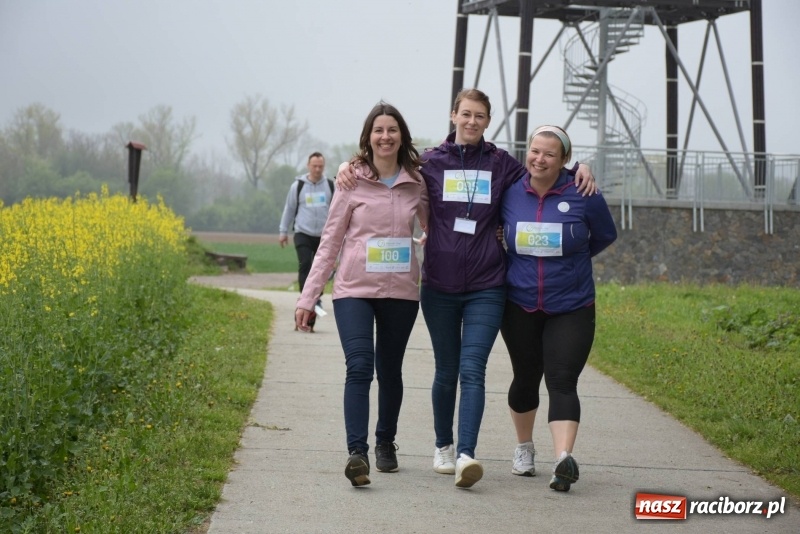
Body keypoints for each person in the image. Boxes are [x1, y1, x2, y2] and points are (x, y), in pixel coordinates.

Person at [337, 88, 596, 489]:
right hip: (439, 286)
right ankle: (443, 444)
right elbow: (386, 166)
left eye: (480, 116)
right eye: (466, 114)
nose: (472, 122)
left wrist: (581, 166)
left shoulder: (502, 164)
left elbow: (543, 169)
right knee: (447, 370)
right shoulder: (429, 163)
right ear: (453, 116)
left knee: (473, 370)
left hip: (487, 286)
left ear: (487, 122)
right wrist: (346, 164)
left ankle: (466, 456)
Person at [295, 102, 429, 487]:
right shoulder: (351, 180)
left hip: (401, 293)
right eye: (378, 130)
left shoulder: (416, 181)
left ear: (401, 135)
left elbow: (436, 226)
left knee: (390, 370)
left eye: (392, 130)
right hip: (354, 290)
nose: (385, 137)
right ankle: (358, 453)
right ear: (368, 137)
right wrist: (308, 297)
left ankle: (386, 441)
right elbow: (331, 241)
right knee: (359, 366)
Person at [499, 125, 617, 492]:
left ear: (564, 159)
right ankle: (524, 448)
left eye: (550, 153)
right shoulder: (510, 191)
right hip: (519, 303)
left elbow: (604, 235)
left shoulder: (583, 192)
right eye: (535, 151)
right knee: (525, 377)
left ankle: (563, 459)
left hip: (572, 304)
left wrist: (572, 259)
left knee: (562, 379)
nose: (540, 159)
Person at [279, 151, 334, 331]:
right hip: (303, 232)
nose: (317, 169)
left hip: (323, 236)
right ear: (308, 166)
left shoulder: (330, 186)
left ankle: (314, 301)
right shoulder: (298, 186)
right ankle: (306, 300)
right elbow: (289, 209)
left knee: (320, 271)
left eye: (320, 166)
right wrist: (283, 231)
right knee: (305, 265)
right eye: (314, 166)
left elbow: (337, 213)